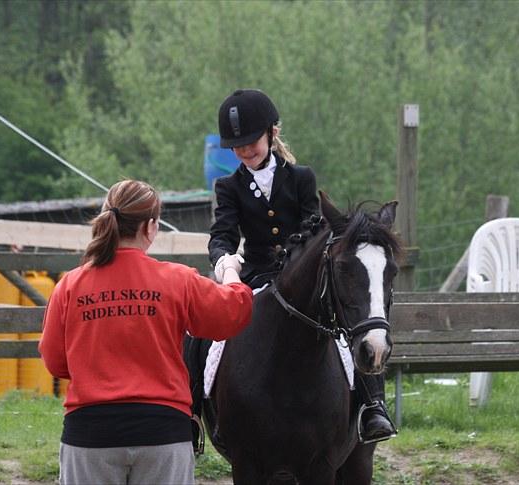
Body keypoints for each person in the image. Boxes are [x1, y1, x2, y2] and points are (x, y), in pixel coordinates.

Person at [200, 88, 396, 443]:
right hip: (257, 278)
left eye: (251, 142)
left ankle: (373, 406)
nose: (244, 151)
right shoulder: (228, 186)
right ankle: (194, 411)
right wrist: (224, 260)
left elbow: (312, 226)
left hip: (303, 277)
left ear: (272, 133)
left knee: (350, 325)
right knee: (204, 335)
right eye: (237, 146)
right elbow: (223, 234)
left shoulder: (301, 177)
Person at [39, 179, 252, 485]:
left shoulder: (70, 285)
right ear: (151, 227)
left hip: (89, 435)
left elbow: (55, 363)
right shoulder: (177, 280)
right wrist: (230, 271)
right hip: (163, 435)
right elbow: (233, 312)